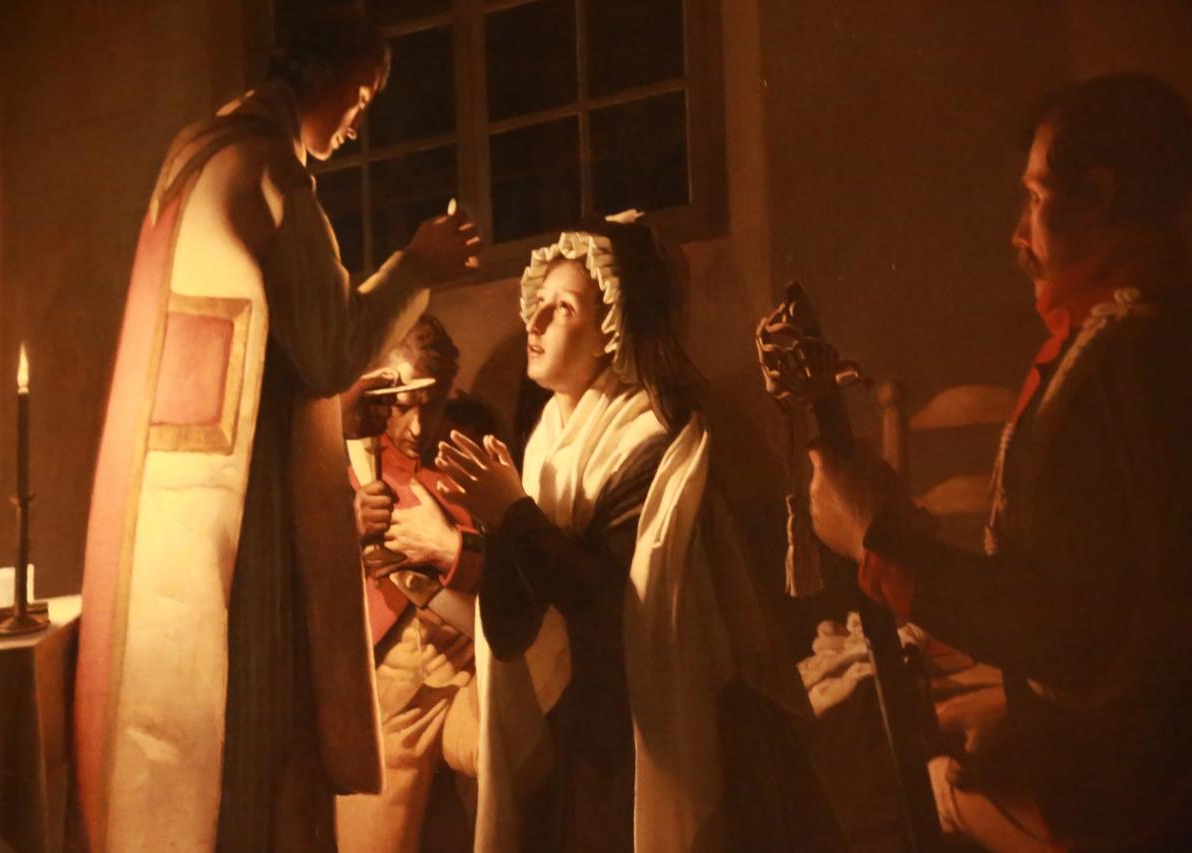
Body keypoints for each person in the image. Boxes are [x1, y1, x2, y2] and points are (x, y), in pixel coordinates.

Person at [73, 8, 481, 852]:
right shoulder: (271, 176)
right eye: (359, 94)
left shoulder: (201, 154)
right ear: (321, 73)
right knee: (258, 743)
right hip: (251, 519)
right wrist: (421, 265)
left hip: (191, 505)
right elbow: (330, 350)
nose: (360, 117)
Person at [808, 72, 1192, 850]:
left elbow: (1067, 629)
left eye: (1035, 197)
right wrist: (1016, 704)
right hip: (1167, 749)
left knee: (912, 783)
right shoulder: (1185, 329)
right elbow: (1135, 617)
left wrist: (871, 533)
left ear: (1096, 196)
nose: (1018, 230)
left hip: (1143, 802)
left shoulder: (1113, 369)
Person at [434, 217, 838, 852]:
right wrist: (500, 520)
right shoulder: (546, 445)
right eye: (538, 303)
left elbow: (615, 610)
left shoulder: (655, 442)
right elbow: (511, 633)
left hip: (649, 723)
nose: (534, 321)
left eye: (563, 308)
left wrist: (512, 514)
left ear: (611, 332)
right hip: (583, 730)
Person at [336, 315, 486, 853]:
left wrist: (452, 550)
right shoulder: (333, 460)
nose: (418, 427)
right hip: (389, 692)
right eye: (402, 406)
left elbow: (509, 566)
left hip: (468, 674)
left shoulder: (468, 454)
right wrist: (349, 528)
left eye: (433, 404)